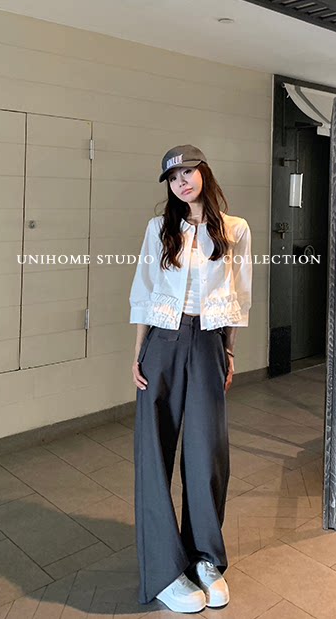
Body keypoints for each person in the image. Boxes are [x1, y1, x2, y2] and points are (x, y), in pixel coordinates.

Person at [129, 144, 252, 613]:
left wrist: (229, 352)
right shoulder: (158, 228)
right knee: (155, 453)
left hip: (208, 343)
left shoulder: (235, 229)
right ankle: (164, 571)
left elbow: (240, 294)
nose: (182, 182)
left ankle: (204, 558)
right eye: (173, 177)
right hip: (162, 341)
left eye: (188, 172)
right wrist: (138, 354)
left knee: (207, 453)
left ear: (204, 173)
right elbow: (144, 289)